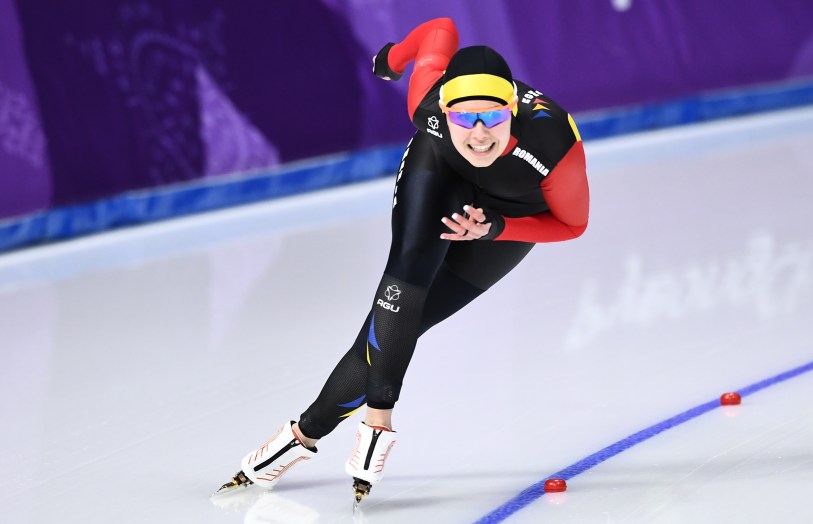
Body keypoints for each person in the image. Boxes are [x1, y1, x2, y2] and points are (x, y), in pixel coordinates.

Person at [213, 17, 589, 504]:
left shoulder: (556, 145)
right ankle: (371, 426)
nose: (478, 134)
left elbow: (573, 225)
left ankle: (299, 437)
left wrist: (497, 229)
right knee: (399, 296)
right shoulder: (426, 106)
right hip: (440, 174)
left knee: (396, 328)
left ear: (513, 112)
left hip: (511, 217)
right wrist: (392, 59)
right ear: (444, 111)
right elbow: (440, 29)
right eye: (464, 119)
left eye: (493, 119)